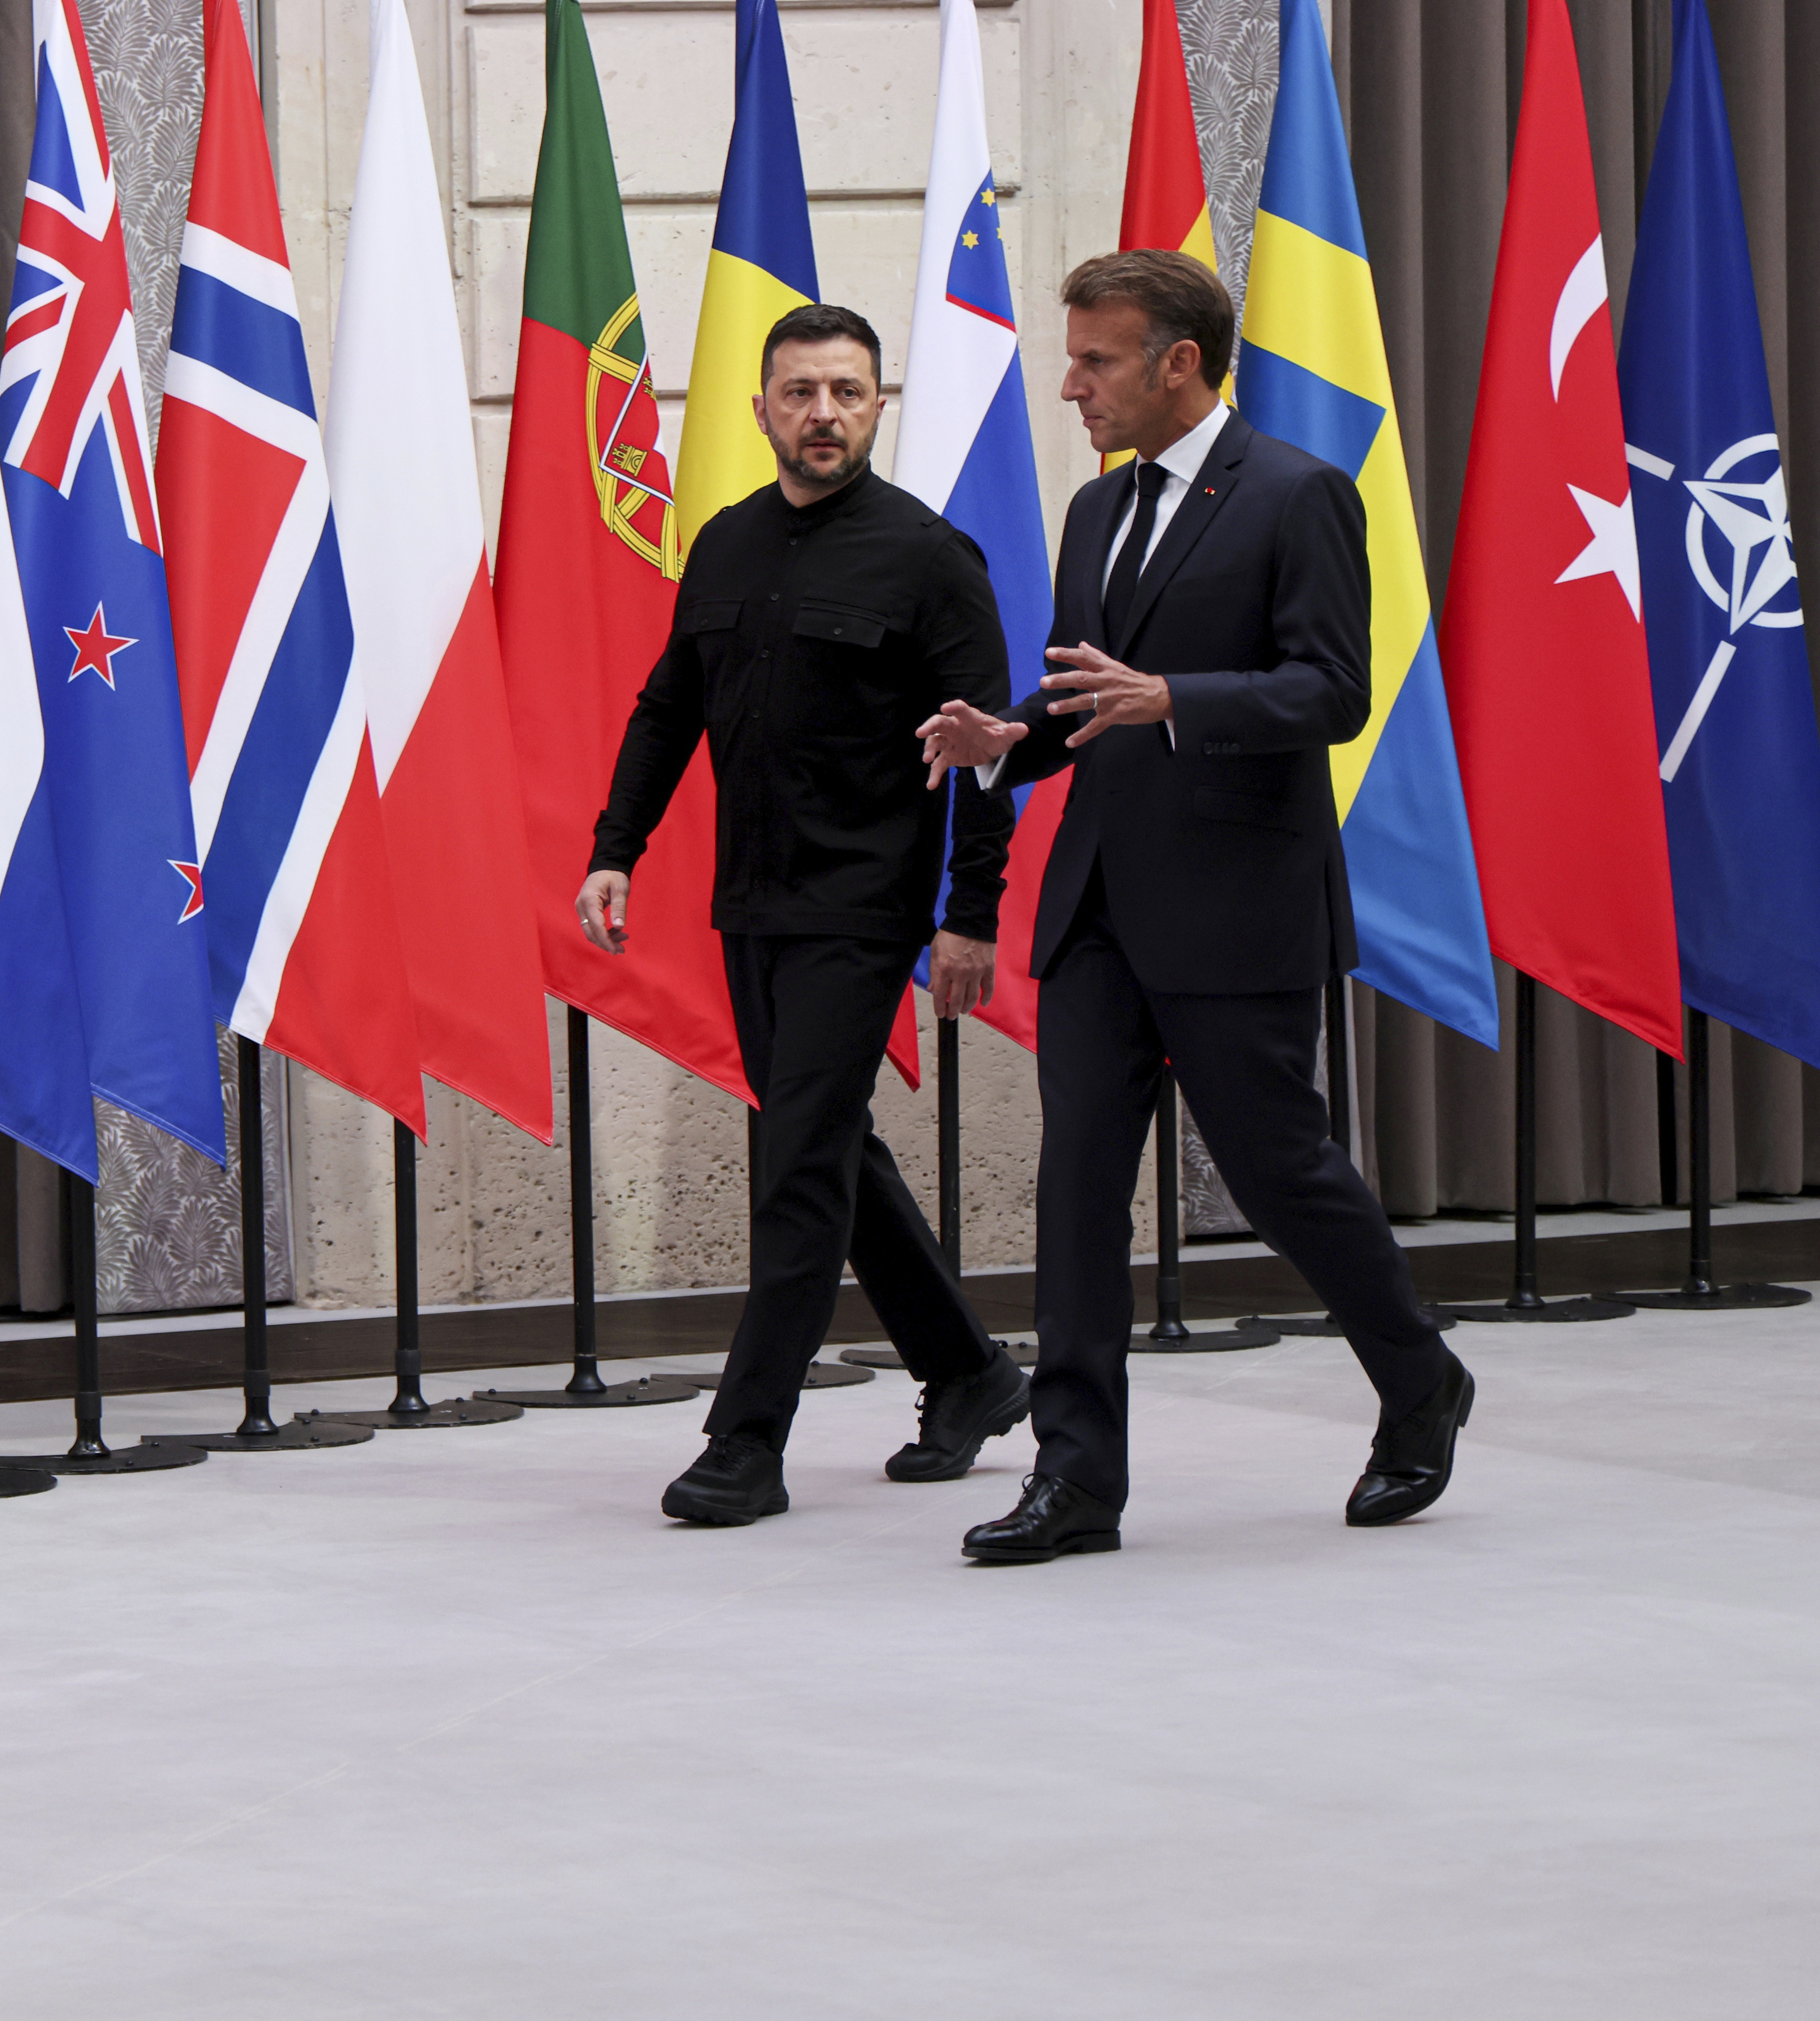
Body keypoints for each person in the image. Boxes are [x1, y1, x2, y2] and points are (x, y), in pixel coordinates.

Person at [918, 249, 1473, 1563]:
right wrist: (1004, 736)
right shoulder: (1092, 516)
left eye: (1094, 360)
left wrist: (1183, 702)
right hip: (1098, 903)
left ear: (1179, 362)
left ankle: (1415, 1380)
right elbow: (1080, 700)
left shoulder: (1297, 498)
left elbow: (1332, 692)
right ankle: (1075, 1484)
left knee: (1282, 1175)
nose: (1069, 387)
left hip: (1238, 903)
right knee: (1077, 1191)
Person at [584, 303, 1030, 1528]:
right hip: (751, 907)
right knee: (831, 1151)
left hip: (862, 909)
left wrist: (967, 915)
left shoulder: (932, 558)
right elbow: (665, 709)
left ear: (876, 405)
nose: (821, 413)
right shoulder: (722, 546)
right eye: (799, 392)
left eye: (845, 391)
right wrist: (613, 848)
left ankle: (744, 1444)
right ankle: (970, 1372)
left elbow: (989, 759)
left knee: (793, 1170)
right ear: (760, 408)